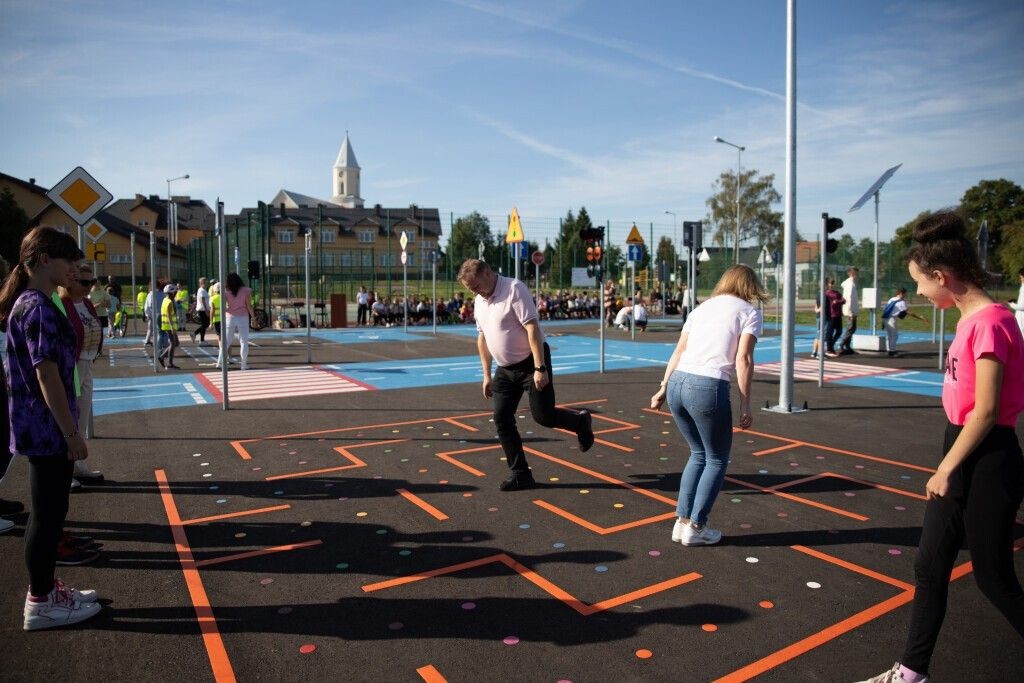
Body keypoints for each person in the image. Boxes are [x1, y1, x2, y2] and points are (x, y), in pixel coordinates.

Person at [857, 212, 1024, 683]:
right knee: (930, 565)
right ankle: (911, 672)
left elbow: (987, 410)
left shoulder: (990, 323)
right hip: (960, 446)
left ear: (941, 276)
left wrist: (948, 467)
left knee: (994, 577)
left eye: (921, 285)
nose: (922, 296)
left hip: (987, 456)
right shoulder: (973, 319)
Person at [0, 226, 102, 630]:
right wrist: (71, 433)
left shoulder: (29, 303)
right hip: (46, 429)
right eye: (67, 261)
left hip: (39, 426)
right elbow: (48, 377)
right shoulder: (38, 308)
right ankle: (40, 602)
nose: (73, 269)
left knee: (50, 513)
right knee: (47, 516)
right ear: (44, 260)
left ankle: (45, 590)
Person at [650, 264, 764, 546]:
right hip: (708, 385)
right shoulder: (749, 312)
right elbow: (744, 359)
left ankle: (682, 521)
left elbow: (679, 350)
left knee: (698, 454)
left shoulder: (700, 309)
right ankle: (697, 526)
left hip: (678, 381)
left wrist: (663, 388)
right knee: (716, 458)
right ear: (750, 286)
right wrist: (746, 403)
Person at [459, 259, 594, 491]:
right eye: (470, 289)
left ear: (488, 273)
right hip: (505, 370)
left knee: (543, 416)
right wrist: (486, 374)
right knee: (502, 418)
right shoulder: (480, 301)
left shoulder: (514, 289)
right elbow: (482, 338)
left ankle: (580, 422)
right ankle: (521, 473)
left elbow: (532, 328)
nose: (474, 291)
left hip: (531, 362)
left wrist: (540, 368)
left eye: (476, 286)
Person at [60, 265, 105, 485]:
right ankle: (65, 470)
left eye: (92, 282)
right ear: (71, 281)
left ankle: (77, 465)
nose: (89, 287)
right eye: (84, 282)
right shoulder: (63, 304)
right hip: (74, 365)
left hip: (87, 362)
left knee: (83, 414)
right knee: (72, 413)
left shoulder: (86, 303)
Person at [216, 272, 253, 371]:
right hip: (243, 317)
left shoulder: (225, 291)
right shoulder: (246, 290)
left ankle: (219, 362)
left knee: (226, 342)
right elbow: (249, 305)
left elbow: (223, 307)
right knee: (244, 341)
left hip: (230, 317)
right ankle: (243, 365)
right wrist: (253, 317)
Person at [881, 287, 928, 357]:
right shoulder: (901, 302)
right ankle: (892, 352)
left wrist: (883, 322)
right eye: (905, 294)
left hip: (886, 319)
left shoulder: (891, 299)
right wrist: (920, 318)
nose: (906, 296)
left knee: (890, 335)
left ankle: (890, 350)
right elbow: (908, 312)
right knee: (894, 336)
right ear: (901, 293)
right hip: (892, 319)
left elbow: (886, 310)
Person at [159, 283, 181, 369]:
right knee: (173, 343)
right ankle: (170, 363)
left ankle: (162, 357)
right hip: (169, 326)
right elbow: (169, 315)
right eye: (175, 292)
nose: (176, 293)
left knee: (176, 343)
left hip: (168, 325)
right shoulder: (169, 302)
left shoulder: (165, 300)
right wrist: (172, 327)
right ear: (171, 293)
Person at [839, 266, 860, 354]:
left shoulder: (851, 283)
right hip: (850, 310)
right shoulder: (850, 284)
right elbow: (849, 298)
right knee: (850, 328)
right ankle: (841, 344)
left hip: (852, 310)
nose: (858, 275)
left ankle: (847, 346)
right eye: (857, 273)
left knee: (852, 328)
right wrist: (851, 312)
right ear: (852, 274)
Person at [87, 280, 110, 345]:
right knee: (94, 332)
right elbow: (86, 304)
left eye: (99, 284)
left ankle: (100, 348)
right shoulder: (89, 293)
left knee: (102, 333)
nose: (98, 285)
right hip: (93, 315)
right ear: (93, 284)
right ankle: (95, 346)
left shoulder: (104, 292)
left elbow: (109, 304)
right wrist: (94, 306)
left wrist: (102, 304)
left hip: (103, 315)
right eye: (97, 284)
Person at [190, 277, 210, 345]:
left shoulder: (203, 290)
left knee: (205, 324)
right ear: (202, 283)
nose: (207, 283)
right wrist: (206, 310)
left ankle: (199, 337)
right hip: (202, 310)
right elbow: (202, 300)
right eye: (206, 282)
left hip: (203, 309)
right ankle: (200, 339)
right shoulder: (201, 290)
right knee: (205, 324)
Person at [1010, 266, 1024, 337]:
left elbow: (1022, 307)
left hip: (1022, 318)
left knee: (1021, 335)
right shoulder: (1023, 287)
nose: (1020, 279)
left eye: (1021, 277)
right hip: (1020, 317)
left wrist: (1011, 304)